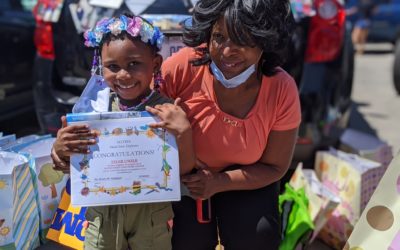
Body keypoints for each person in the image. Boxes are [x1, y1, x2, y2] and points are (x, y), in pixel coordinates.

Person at [146, 0, 301, 249]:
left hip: (246, 180)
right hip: (183, 179)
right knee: (185, 239)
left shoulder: (282, 89)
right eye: (219, 37)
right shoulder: (180, 68)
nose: (228, 51)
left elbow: (274, 167)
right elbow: (135, 125)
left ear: (265, 40)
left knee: (258, 234)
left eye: (243, 40)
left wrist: (219, 182)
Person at [51, 14, 195, 250]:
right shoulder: (92, 108)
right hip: (103, 214)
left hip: (152, 216)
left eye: (134, 64)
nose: (123, 75)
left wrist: (185, 132)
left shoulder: (168, 112)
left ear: (156, 64)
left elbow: (186, 171)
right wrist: (60, 149)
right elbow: (70, 160)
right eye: (113, 67)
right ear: (101, 66)